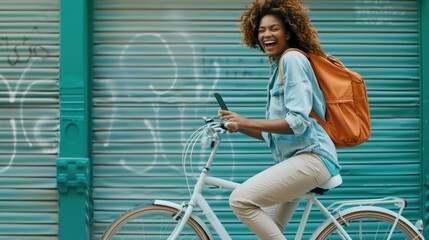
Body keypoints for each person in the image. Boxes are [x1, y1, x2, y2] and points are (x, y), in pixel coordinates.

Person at [217, 0, 341, 239]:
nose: (267, 35)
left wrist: (246, 121)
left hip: (313, 159)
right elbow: (273, 132)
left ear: (288, 31)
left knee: (241, 200)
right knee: (270, 232)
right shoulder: (278, 67)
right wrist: (239, 126)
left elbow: (297, 122)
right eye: (261, 30)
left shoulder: (292, 60)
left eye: (274, 28)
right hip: (298, 161)